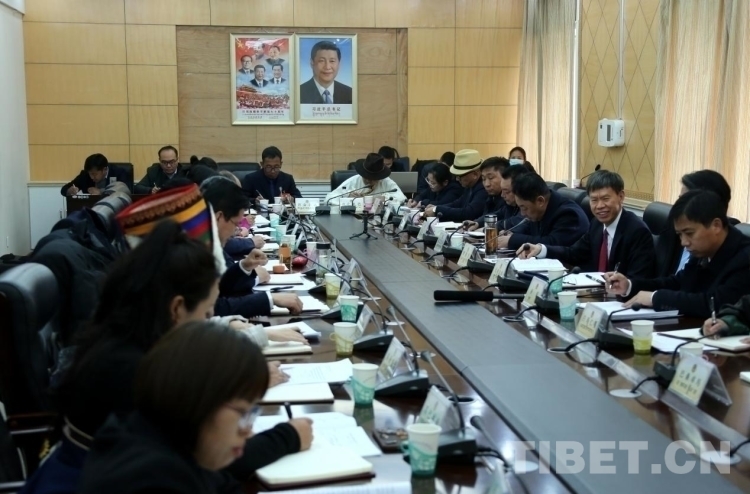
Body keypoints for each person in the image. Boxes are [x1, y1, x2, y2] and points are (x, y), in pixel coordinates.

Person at [22, 218, 310, 493]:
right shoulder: (132, 369)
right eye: (206, 313)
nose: (210, 321)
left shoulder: (129, 336)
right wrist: (287, 436)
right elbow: (209, 461)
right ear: (176, 308)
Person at [78, 322, 283, 493]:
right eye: (243, 413)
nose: (248, 431)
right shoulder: (154, 479)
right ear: (201, 399)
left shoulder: (169, 441)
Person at [606, 189, 750, 318]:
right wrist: (629, 285)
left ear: (716, 226)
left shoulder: (745, 258)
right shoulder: (703, 250)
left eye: (689, 233)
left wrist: (655, 298)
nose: (684, 242)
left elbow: (715, 304)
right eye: (680, 235)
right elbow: (678, 282)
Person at [517, 170, 655, 278]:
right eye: (594, 200)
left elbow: (638, 280)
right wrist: (541, 249)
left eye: (605, 199)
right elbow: (574, 253)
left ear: (621, 196)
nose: (599, 206)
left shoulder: (637, 231)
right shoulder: (596, 224)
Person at [202, 179, 303, 318]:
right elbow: (212, 308)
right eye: (236, 224)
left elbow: (222, 285)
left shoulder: (208, 241)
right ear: (219, 217)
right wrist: (269, 299)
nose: (236, 232)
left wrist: (244, 267)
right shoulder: (194, 249)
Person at [657, 169, 733, 276]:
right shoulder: (673, 227)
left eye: (686, 201)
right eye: (680, 199)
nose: (684, 242)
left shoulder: (732, 257)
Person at [503, 172, 589, 250]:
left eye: (524, 208)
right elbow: (527, 230)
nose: (522, 213)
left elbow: (553, 243)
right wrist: (510, 234)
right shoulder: (538, 211)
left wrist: (512, 240)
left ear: (540, 201)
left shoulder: (569, 214)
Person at [422, 149, 488, 222]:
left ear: (475, 174)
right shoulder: (469, 186)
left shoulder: (484, 188)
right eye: (456, 176)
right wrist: (436, 208)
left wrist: (437, 210)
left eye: (460, 176)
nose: (457, 179)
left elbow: (468, 213)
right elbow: (457, 203)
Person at [325, 153, 407, 205]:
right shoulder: (353, 181)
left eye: (373, 179)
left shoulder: (385, 182)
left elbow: (402, 198)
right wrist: (348, 198)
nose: (368, 181)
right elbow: (328, 199)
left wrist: (379, 198)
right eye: (366, 177)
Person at [465, 157, 511, 230]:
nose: (487, 184)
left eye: (491, 178)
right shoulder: (491, 197)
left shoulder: (510, 199)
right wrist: (477, 223)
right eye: (483, 179)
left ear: (505, 177)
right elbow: (493, 215)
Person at [61, 153, 131, 196]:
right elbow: (64, 189)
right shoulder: (85, 175)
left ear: (104, 170)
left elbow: (127, 191)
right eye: (90, 174)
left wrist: (101, 192)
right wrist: (69, 191)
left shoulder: (118, 172)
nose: (92, 177)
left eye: (94, 174)